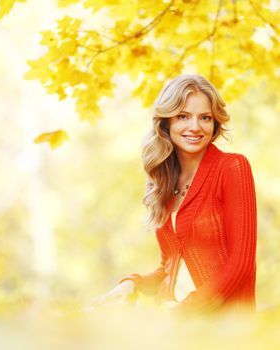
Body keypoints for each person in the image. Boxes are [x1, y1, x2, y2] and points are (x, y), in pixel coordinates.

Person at [87, 74, 257, 314]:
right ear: (166, 122)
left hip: (225, 325)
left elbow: (241, 264)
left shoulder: (231, 168)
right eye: (183, 116)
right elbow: (170, 268)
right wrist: (131, 285)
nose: (195, 127)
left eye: (205, 117)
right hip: (175, 323)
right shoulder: (165, 181)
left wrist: (183, 311)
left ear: (215, 123)